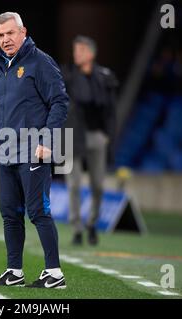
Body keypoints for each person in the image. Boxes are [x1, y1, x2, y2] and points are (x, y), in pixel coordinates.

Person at [0, 12, 68, 288]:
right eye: (0, 35)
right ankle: (14, 271)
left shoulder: (40, 62)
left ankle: (54, 273)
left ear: (23, 31)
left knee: (38, 211)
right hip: (6, 154)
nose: (5, 40)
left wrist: (47, 141)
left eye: (10, 33)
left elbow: (60, 102)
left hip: (33, 152)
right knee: (10, 213)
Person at [62, 35, 118, 246]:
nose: (77, 54)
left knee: (97, 185)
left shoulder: (104, 77)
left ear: (92, 54)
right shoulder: (67, 75)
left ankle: (92, 223)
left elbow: (111, 111)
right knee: (73, 184)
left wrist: (109, 136)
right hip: (71, 134)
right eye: (76, 50)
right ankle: (77, 228)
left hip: (96, 135)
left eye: (82, 50)